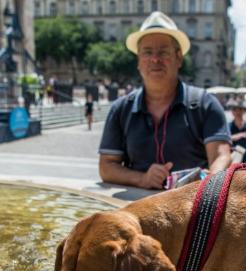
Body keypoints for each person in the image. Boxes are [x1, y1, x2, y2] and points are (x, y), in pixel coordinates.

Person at [97, 12, 231, 190]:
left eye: (163, 52)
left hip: (189, 209)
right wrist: (142, 178)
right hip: (137, 212)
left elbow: (221, 157)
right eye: (147, 52)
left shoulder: (205, 104)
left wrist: (209, 184)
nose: (155, 59)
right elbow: (106, 167)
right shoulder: (121, 109)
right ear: (138, 61)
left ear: (179, 58)